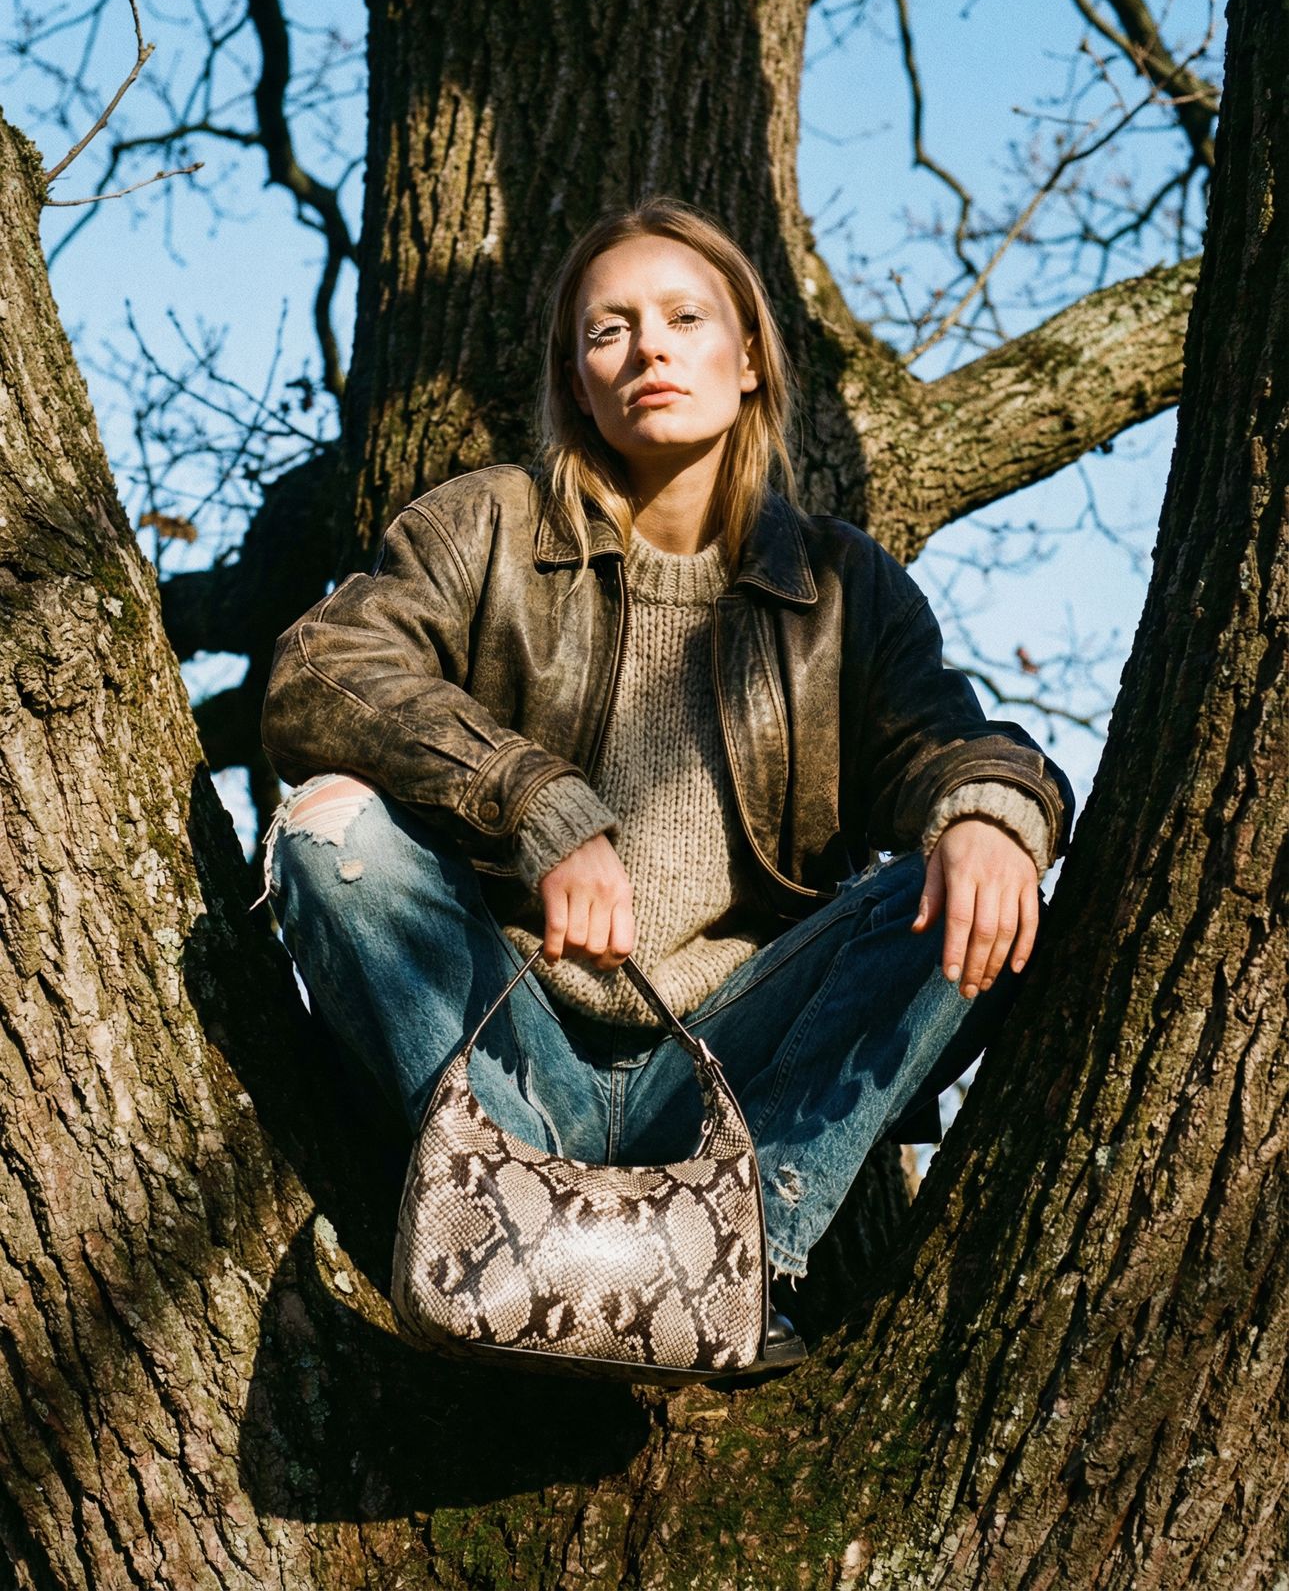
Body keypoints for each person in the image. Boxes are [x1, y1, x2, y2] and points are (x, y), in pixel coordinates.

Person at [255, 197, 1075, 1372]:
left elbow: (944, 744)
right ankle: (505, 1231)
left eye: (685, 319)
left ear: (746, 361)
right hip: (505, 1047)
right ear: (575, 382)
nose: (647, 349)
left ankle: (741, 1260)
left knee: (974, 868)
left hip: (733, 1081)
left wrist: (991, 812)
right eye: (608, 331)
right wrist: (535, 801)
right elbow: (322, 674)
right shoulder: (480, 528)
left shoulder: (842, 588)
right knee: (335, 830)